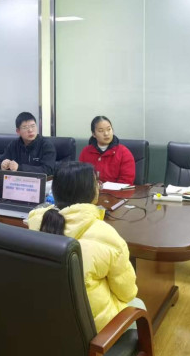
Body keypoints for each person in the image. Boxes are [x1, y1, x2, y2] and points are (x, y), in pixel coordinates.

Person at [27, 161, 142, 332]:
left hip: (46, 321)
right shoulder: (108, 236)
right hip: (92, 330)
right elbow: (128, 293)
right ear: (91, 192)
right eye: (96, 183)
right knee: (138, 304)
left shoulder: (37, 222)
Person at [79, 116, 135, 185]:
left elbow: (126, 181)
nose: (106, 134)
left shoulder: (124, 153)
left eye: (109, 129)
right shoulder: (86, 152)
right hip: (91, 191)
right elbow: (81, 177)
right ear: (94, 134)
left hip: (116, 192)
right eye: (101, 131)